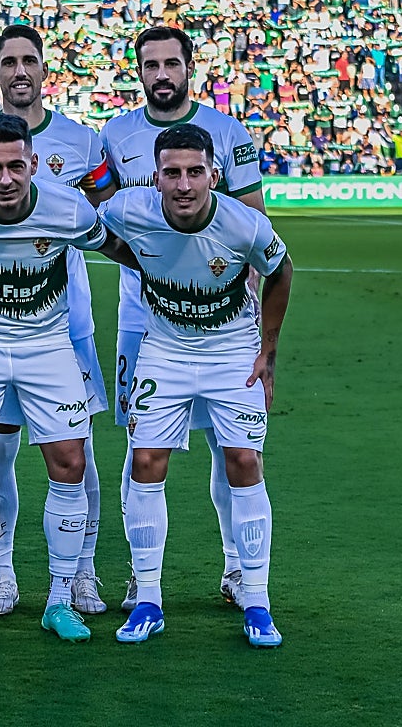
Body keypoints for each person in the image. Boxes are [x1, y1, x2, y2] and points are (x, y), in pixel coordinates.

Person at [0, 114, 138, 649]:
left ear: (34, 165)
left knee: (69, 462)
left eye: (15, 166)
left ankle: (60, 599)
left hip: (47, 344)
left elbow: (118, 248)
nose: (4, 178)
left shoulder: (68, 208)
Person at [102, 123, 292, 648]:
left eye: (194, 172)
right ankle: (147, 600)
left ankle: (257, 601)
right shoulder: (129, 210)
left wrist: (267, 352)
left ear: (214, 173)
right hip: (164, 350)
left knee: (244, 463)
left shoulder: (243, 224)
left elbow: (282, 271)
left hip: (232, 353)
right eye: (171, 173)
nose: (183, 184)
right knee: (145, 462)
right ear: (155, 177)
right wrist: (138, 258)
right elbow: (99, 231)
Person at [100, 25, 265, 611]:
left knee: (233, 447)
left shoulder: (226, 132)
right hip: (140, 316)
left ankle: (237, 568)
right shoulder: (115, 135)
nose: (162, 74)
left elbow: (250, 217)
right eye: (151, 65)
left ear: (189, 68)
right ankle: (140, 577)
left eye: (172, 63)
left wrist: (235, 303)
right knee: (141, 446)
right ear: (139, 71)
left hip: (221, 321)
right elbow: (102, 212)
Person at [0, 25, 117, 617]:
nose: (20, 70)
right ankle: (2, 575)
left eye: (30, 60)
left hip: (64, 323)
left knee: (79, 454)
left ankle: (82, 572)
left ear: (45, 68)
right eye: (8, 62)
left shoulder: (83, 142)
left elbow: (104, 212)